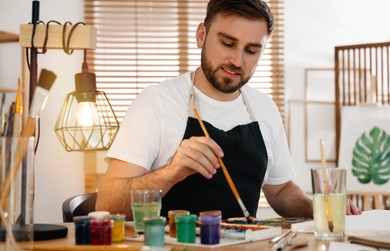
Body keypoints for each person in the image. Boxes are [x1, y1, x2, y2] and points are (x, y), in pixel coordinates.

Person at [96, 0, 361, 220]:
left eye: (251, 50)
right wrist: (171, 172)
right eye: (228, 43)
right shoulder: (155, 104)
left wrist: (317, 206)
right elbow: (107, 205)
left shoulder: (264, 108)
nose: (237, 61)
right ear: (201, 36)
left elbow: (279, 191)